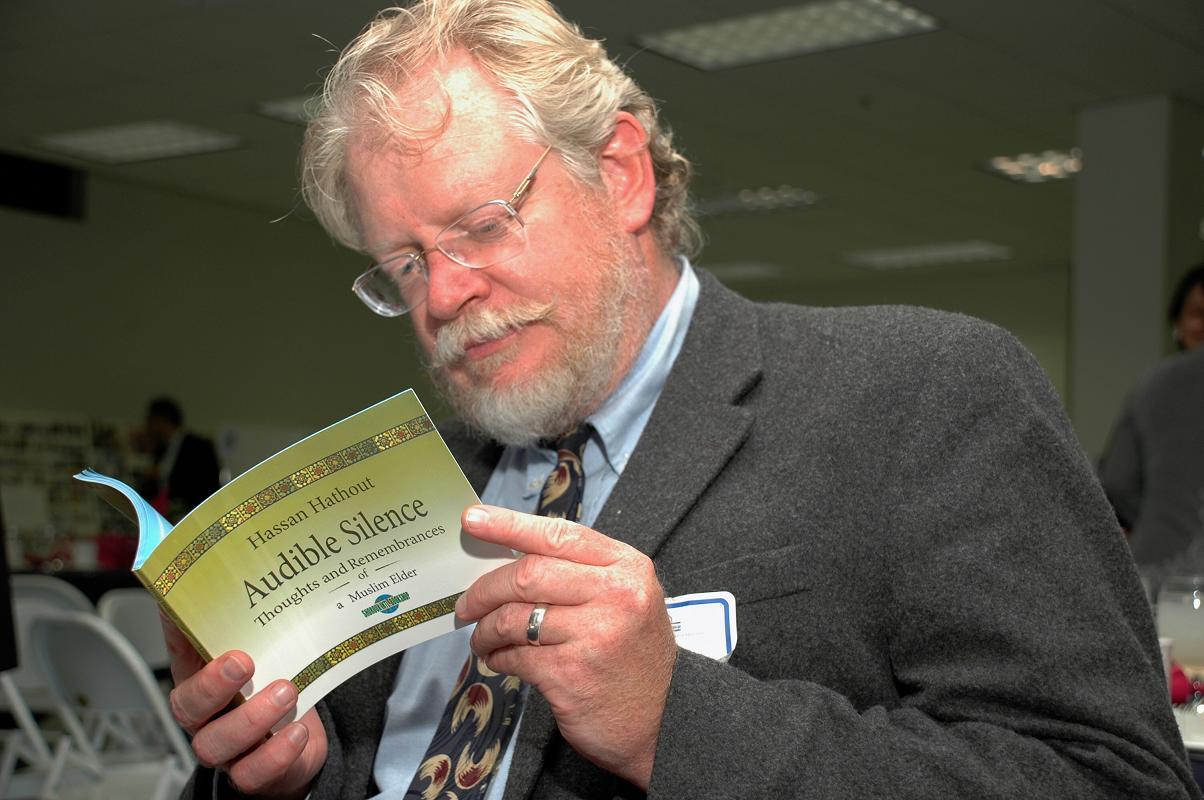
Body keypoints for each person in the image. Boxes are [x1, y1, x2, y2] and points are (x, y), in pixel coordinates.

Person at [165, 1, 1199, 798]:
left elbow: (1109, 777)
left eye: (480, 226)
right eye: (403, 263)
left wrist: (676, 722)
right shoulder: (397, 491)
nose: (441, 298)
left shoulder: (922, 391)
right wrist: (284, 776)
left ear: (620, 174)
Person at [1099, 265, 1204, 586]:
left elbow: (1116, 481)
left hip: (1160, 573)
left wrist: (1157, 516)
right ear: (1177, 322)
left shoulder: (1152, 385)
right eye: (1199, 313)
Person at [141, 396, 222, 523]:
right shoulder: (161, 448)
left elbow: (207, 483)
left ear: (162, 420)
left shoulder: (198, 446)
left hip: (194, 514)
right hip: (168, 514)